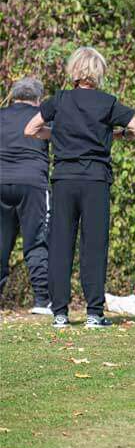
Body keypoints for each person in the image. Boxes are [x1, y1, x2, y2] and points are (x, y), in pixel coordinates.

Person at [23, 48, 135, 328]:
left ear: (75, 71)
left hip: (65, 179)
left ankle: (60, 313)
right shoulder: (107, 103)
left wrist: (58, 134)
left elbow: (30, 130)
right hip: (95, 180)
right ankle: (94, 313)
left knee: (60, 246)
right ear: (98, 72)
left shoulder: (60, 100)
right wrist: (115, 134)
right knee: (93, 246)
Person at [1, 77, 52, 314]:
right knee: (36, 241)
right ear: (38, 99)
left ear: (13, 96)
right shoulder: (43, 116)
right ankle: (42, 301)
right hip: (32, 184)